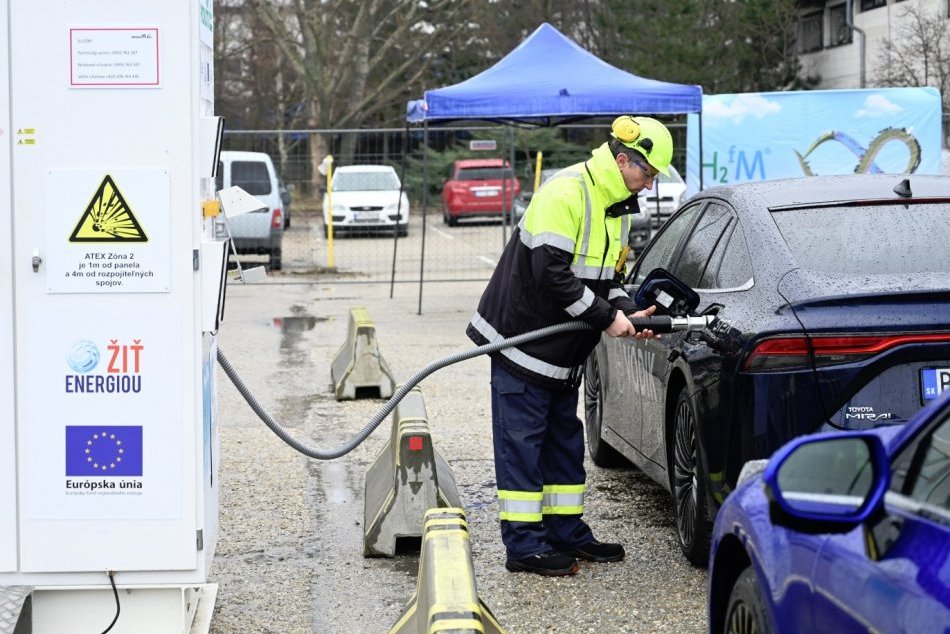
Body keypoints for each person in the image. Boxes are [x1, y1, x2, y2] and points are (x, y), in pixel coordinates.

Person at [466, 115, 674, 576]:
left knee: (562, 441)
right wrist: (606, 318)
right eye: (647, 174)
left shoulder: (614, 207)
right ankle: (524, 545)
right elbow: (552, 276)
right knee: (523, 444)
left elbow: (609, 279)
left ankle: (564, 531)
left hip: (561, 353)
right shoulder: (567, 193)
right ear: (622, 161)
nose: (648, 185)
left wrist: (627, 311)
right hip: (523, 344)